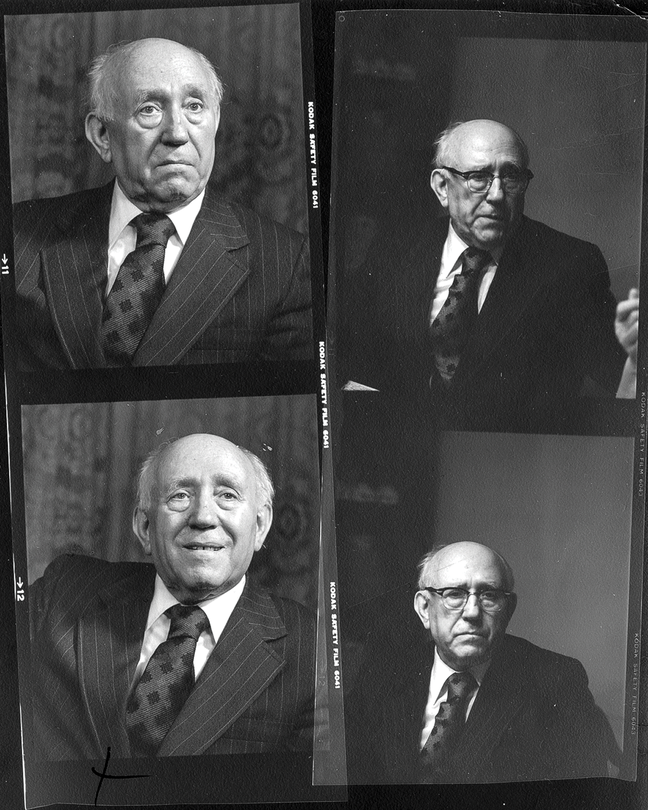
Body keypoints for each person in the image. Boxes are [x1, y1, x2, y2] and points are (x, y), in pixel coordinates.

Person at [13, 38, 312, 370]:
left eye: (194, 106)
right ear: (102, 135)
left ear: (215, 121)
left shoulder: (286, 263)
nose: (177, 133)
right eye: (150, 109)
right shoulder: (19, 236)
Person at [29, 433, 315, 760]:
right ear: (145, 527)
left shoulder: (312, 648)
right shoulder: (64, 591)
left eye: (227, 495)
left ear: (260, 526)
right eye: (180, 496)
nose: (203, 517)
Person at [341, 119, 639, 429]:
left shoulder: (570, 265)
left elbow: (625, 382)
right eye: (478, 177)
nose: (496, 194)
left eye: (511, 177)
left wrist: (636, 356)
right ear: (442, 187)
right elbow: (354, 360)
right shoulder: (395, 252)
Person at [346, 541, 617, 784]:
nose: (473, 612)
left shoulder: (556, 680)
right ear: (425, 608)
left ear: (508, 610)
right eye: (454, 594)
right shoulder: (384, 673)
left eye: (489, 595)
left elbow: (579, 794)